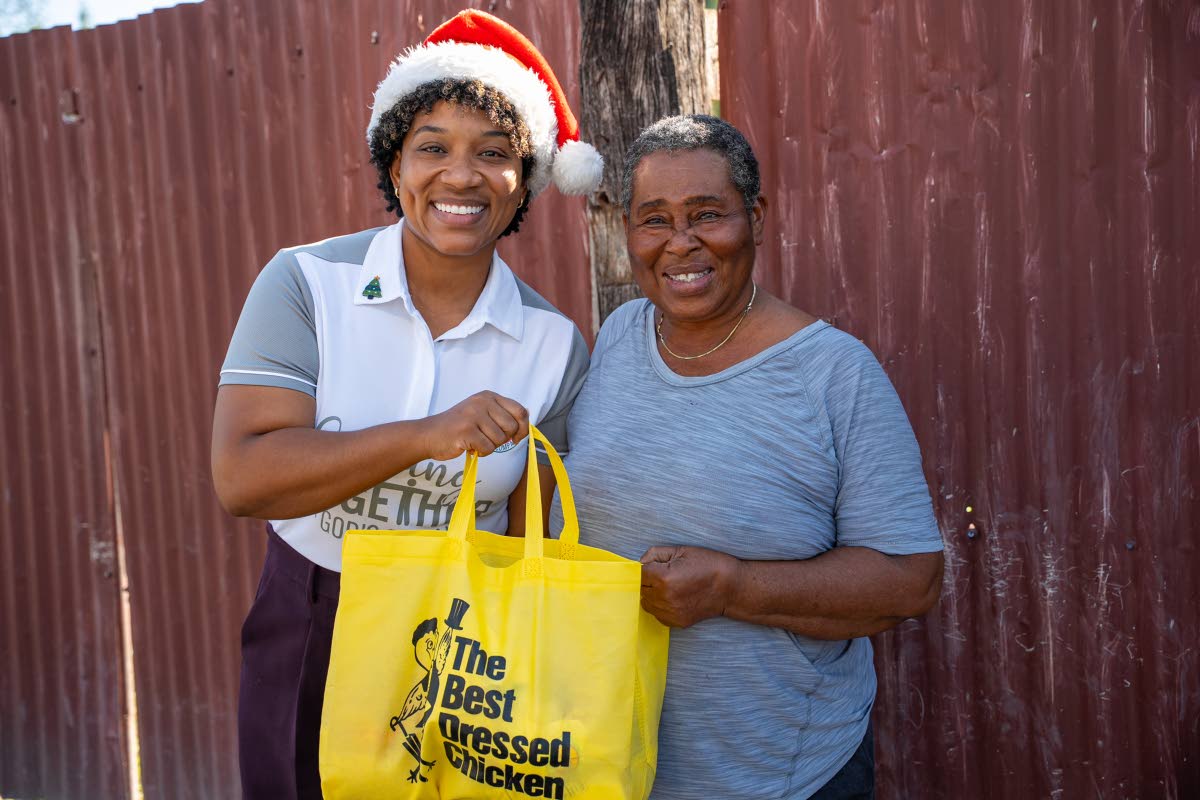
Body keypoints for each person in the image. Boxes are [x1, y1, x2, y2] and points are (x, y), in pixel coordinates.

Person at [209, 11, 602, 799]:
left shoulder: (552, 343)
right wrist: (428, 435)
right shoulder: (307, 285)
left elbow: (535, 528)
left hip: (468, 646)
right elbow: (244, 478)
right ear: (394, 167)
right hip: (316, 614)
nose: (461, 176)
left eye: (494, 153)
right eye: (432, 148)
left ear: (524, 180)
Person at [550, 115, 945, 799]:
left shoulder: (833, 374)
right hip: (612, 763)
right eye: (655, 220)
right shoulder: (618, 337)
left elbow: (911, 580)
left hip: (776, 773)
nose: (681, 243)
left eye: (707, 214)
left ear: (755, 216)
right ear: (627, 230)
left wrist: (732, 587)